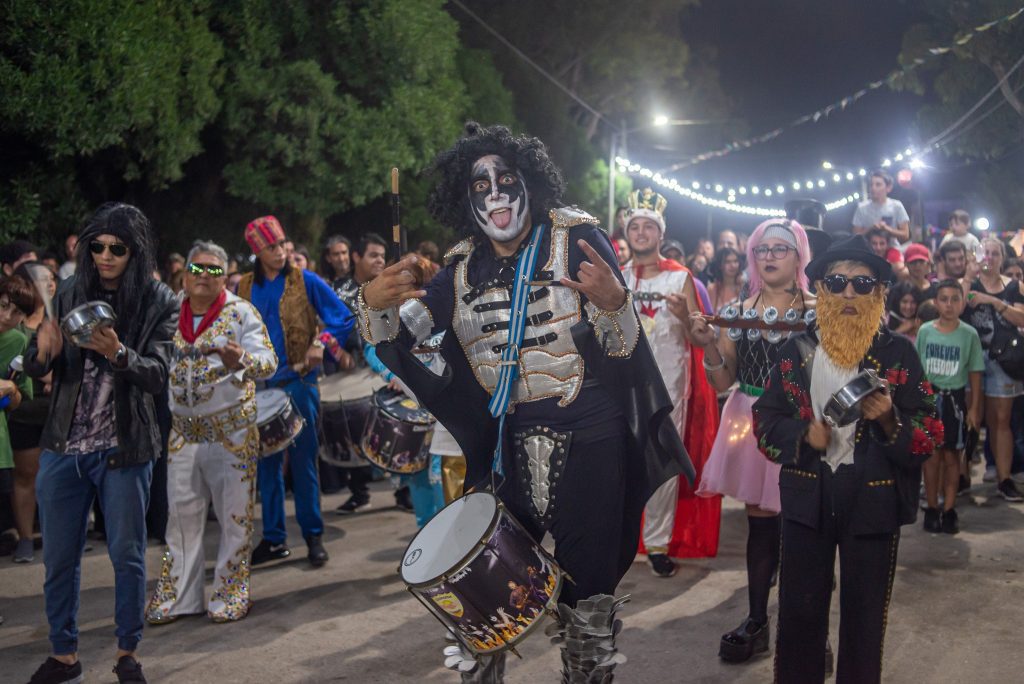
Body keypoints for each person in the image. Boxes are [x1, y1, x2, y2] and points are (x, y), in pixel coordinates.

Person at [357, 123, 692, 682]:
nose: (495, 193)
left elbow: (623, 348)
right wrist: (372, 303)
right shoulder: (460, 268)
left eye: (505, 179)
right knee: (480, 588)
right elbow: (401, 336)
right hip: (505, 448)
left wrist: (615, 305)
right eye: (479, 184)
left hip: (592, 439)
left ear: (530, 183)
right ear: (466, 199)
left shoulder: (575, 236)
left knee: (586, 598)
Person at [753, 234, 941, 684]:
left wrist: (892, 421)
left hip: (873, 500)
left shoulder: (899, 354)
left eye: (863, 284)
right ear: (820, 290)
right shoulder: (792, 354)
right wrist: (804, 435)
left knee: (864, 619)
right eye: (837, 282)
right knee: (798, 615)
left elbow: (931, 434)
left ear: (879, 293)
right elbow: (764, 425)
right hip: (806, 499)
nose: (849, 293)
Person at [24, 202, 178, 684]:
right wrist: (40, 354)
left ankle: (127, 653)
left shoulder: (158, 300)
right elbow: (38, 364)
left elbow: (158, 376)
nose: (106, 255)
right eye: (97, 246)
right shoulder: (71, 290)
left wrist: (118, 352)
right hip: (63, 446)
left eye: (117, 248)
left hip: (125, 448)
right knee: (59, 559)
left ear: (136, 251)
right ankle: (64, 655)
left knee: (127, 556)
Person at [692, 218, 815, 664]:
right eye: (762, 248)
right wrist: (708, 347)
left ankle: (805, 627)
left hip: (805, 427)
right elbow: (724, 377)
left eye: (780, 248)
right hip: (752, 423)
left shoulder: (821, 310)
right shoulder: (739, 310)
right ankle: (758, 619)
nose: (769, 256)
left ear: (800, 256)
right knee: (762, 526)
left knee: (804, 526)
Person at [146, 241, 277, 625]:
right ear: (184, 274)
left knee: (234, 519)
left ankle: (229, 595)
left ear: (224, 276)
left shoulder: (241, 312)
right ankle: (179, 599)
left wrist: (243, 361)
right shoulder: (170, 313)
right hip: (184, 434)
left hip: (231, 433)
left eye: (213, 271)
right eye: (197, 269)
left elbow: (269, 362)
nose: (204, 277)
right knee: (181, 519)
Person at [236, 215, 354, 566]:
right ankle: (273, 538)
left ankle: (313, 535)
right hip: (259, 388)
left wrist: (322, 342)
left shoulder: (306, 280)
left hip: (299, 385)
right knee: (267, 467)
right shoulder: (242, 287)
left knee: (304, 462)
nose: (281, 251)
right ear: (257, 250)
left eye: (283, 243)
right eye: (272, 246)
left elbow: (342, 316)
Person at [621, 188, 719, 576]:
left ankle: (658, 544)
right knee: (622, 462)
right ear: (626, 232)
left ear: (660, 234)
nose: (641, 232)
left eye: (648, 226)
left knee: (661, 462)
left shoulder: (682, 279)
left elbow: (699, 336)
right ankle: (623, 538)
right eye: (634, 226)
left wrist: (684, 317)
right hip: (623, 384)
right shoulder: (617, 275)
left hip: (669, 383)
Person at [916, 279, 984, 534]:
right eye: (943, 299)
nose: (949, 304)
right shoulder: (925, 331)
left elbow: (976, 373)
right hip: (929, 400)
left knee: (953, 457)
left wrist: (975, 408)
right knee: (931, 458)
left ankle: (949, 509)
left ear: (962, 302)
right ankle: (932, 507)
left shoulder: (969, 334)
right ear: (936, 302)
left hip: (955, 402)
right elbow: (917, 371)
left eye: (955, 299)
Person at [332, 233, 389, 515]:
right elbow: (326, 327)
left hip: (388, 367)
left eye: (382, 255)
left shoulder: (389, 285)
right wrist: (337, 351)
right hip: (355, 370)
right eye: (373, 255)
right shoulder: (338, 291)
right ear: (357, 257)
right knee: (356, 430)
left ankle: (404, 489)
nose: (380, 260)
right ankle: (360, 491)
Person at [963, 238, 1024, 501]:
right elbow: (956, 305)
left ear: (1001, 257)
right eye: (984, 252)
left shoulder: (1013, 286)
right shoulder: (970, 284)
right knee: (968, 419)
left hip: (1003, 360)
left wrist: (993, 301)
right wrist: (967, 277)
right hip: (970, 359)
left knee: (1001, 421)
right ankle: (962, 476)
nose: (988, 257)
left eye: (994, 253)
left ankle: (1004, 478)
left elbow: (1021, 318)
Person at [8, 263, 57, 563]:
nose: (50, 284)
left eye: (52, 279)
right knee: (26, 475)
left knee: (55, 477)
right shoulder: (13, 323)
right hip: (24, 409)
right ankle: (25, 537)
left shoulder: (59, 318)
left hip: (56, 411)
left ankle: (56, 535)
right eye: (42, 279)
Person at [0, 276, 36, 560]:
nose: (6, 317)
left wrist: (10, 390)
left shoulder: (18, 341)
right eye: (3, 306)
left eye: (17, 313)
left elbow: (21, 396)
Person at [851, 169, 911, 243]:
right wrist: (871, 229)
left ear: (888, 188)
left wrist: (886, 229)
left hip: (891, 249)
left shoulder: (897, 206)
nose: (873, 188)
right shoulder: (861, 208)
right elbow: (855, 237)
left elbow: (905, 235)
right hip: (868, 251)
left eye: (878, 184)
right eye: (871, 185)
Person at [707, 247, 744, 313]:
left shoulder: (745, 288)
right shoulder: (711, 289)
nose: (732, 265)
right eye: (727, 262)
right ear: (720, 265)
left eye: (735, 261)